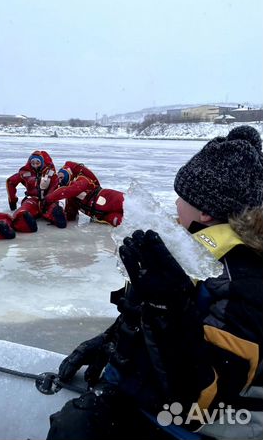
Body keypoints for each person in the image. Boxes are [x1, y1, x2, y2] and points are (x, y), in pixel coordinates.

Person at [47, 125, 263, 440]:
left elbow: (199, 400)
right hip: (156, 398)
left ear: (204, 211)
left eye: (181, 197)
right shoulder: (187, 249)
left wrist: (169, 308)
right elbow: (146, 313)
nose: (175, 205)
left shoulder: (243, 282)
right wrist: (113, 341)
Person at [43, 161, 124, 227]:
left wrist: (49, 198)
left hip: (110, 198)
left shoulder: (82, 179)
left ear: (69, 174)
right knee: (124, 222)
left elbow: (73, 190)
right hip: (103, 215)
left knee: (130, 207)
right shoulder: (71, 199)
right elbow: (70, 215)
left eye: (62, 177)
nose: (60, 180)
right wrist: (56, 214)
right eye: (59, 178)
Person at [6, 150, 67, 232]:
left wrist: (48, 198)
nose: (35, 165)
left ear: (42, 162)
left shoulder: (50, 173)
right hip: (32, 199)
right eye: (33, 163)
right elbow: (10, 182)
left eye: (37, 163)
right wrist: (12, 201)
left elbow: (54, 186)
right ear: (30, 162)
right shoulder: (25, 173)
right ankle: (23, 219)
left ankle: (57, 215)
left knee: (54, 208)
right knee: (25, 209)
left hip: (48, 200)